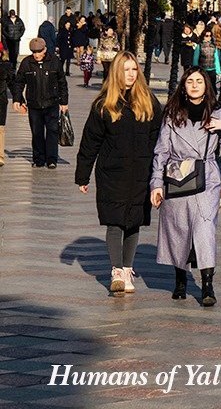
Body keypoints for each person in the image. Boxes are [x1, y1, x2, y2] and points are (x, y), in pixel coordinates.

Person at [74, 51, 164, 296]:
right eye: (126, 70)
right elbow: (90, 142)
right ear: (116, 73)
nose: (131, 75)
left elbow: (160, 139)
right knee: (115, 221)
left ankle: (127, 269)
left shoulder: (149, 101)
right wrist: (83, 175)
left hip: (141, 172)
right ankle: (116, 270)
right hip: (112, 172)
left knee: (134, 222)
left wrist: (161, 173)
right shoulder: (104, 104)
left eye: (134, 69)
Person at [149, 67, 221, 306]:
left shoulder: (216, 113)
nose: (194, 85)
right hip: (177, 176)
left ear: (206, 86)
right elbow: (161, 151)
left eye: (199, 81)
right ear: (183, 86)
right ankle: (180, 279)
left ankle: (207, 284)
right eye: (190, 81)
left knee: (205, 228)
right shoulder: (172, 114)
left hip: (206, 179)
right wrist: (156, 184)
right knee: (179, 230)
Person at [14, 37, 69, 169]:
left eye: (39, 51)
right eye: (34, 52)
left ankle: (51, 159)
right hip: (34, 104)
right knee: (37, 132)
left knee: (52, 131)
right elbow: (19, 82)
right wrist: (17, 99)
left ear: (44, 50)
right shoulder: (26, 63)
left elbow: (62, 82)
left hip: (52, 103)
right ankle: (38, 158)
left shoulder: (54, 61)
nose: (37, 55)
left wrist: (64, 101)